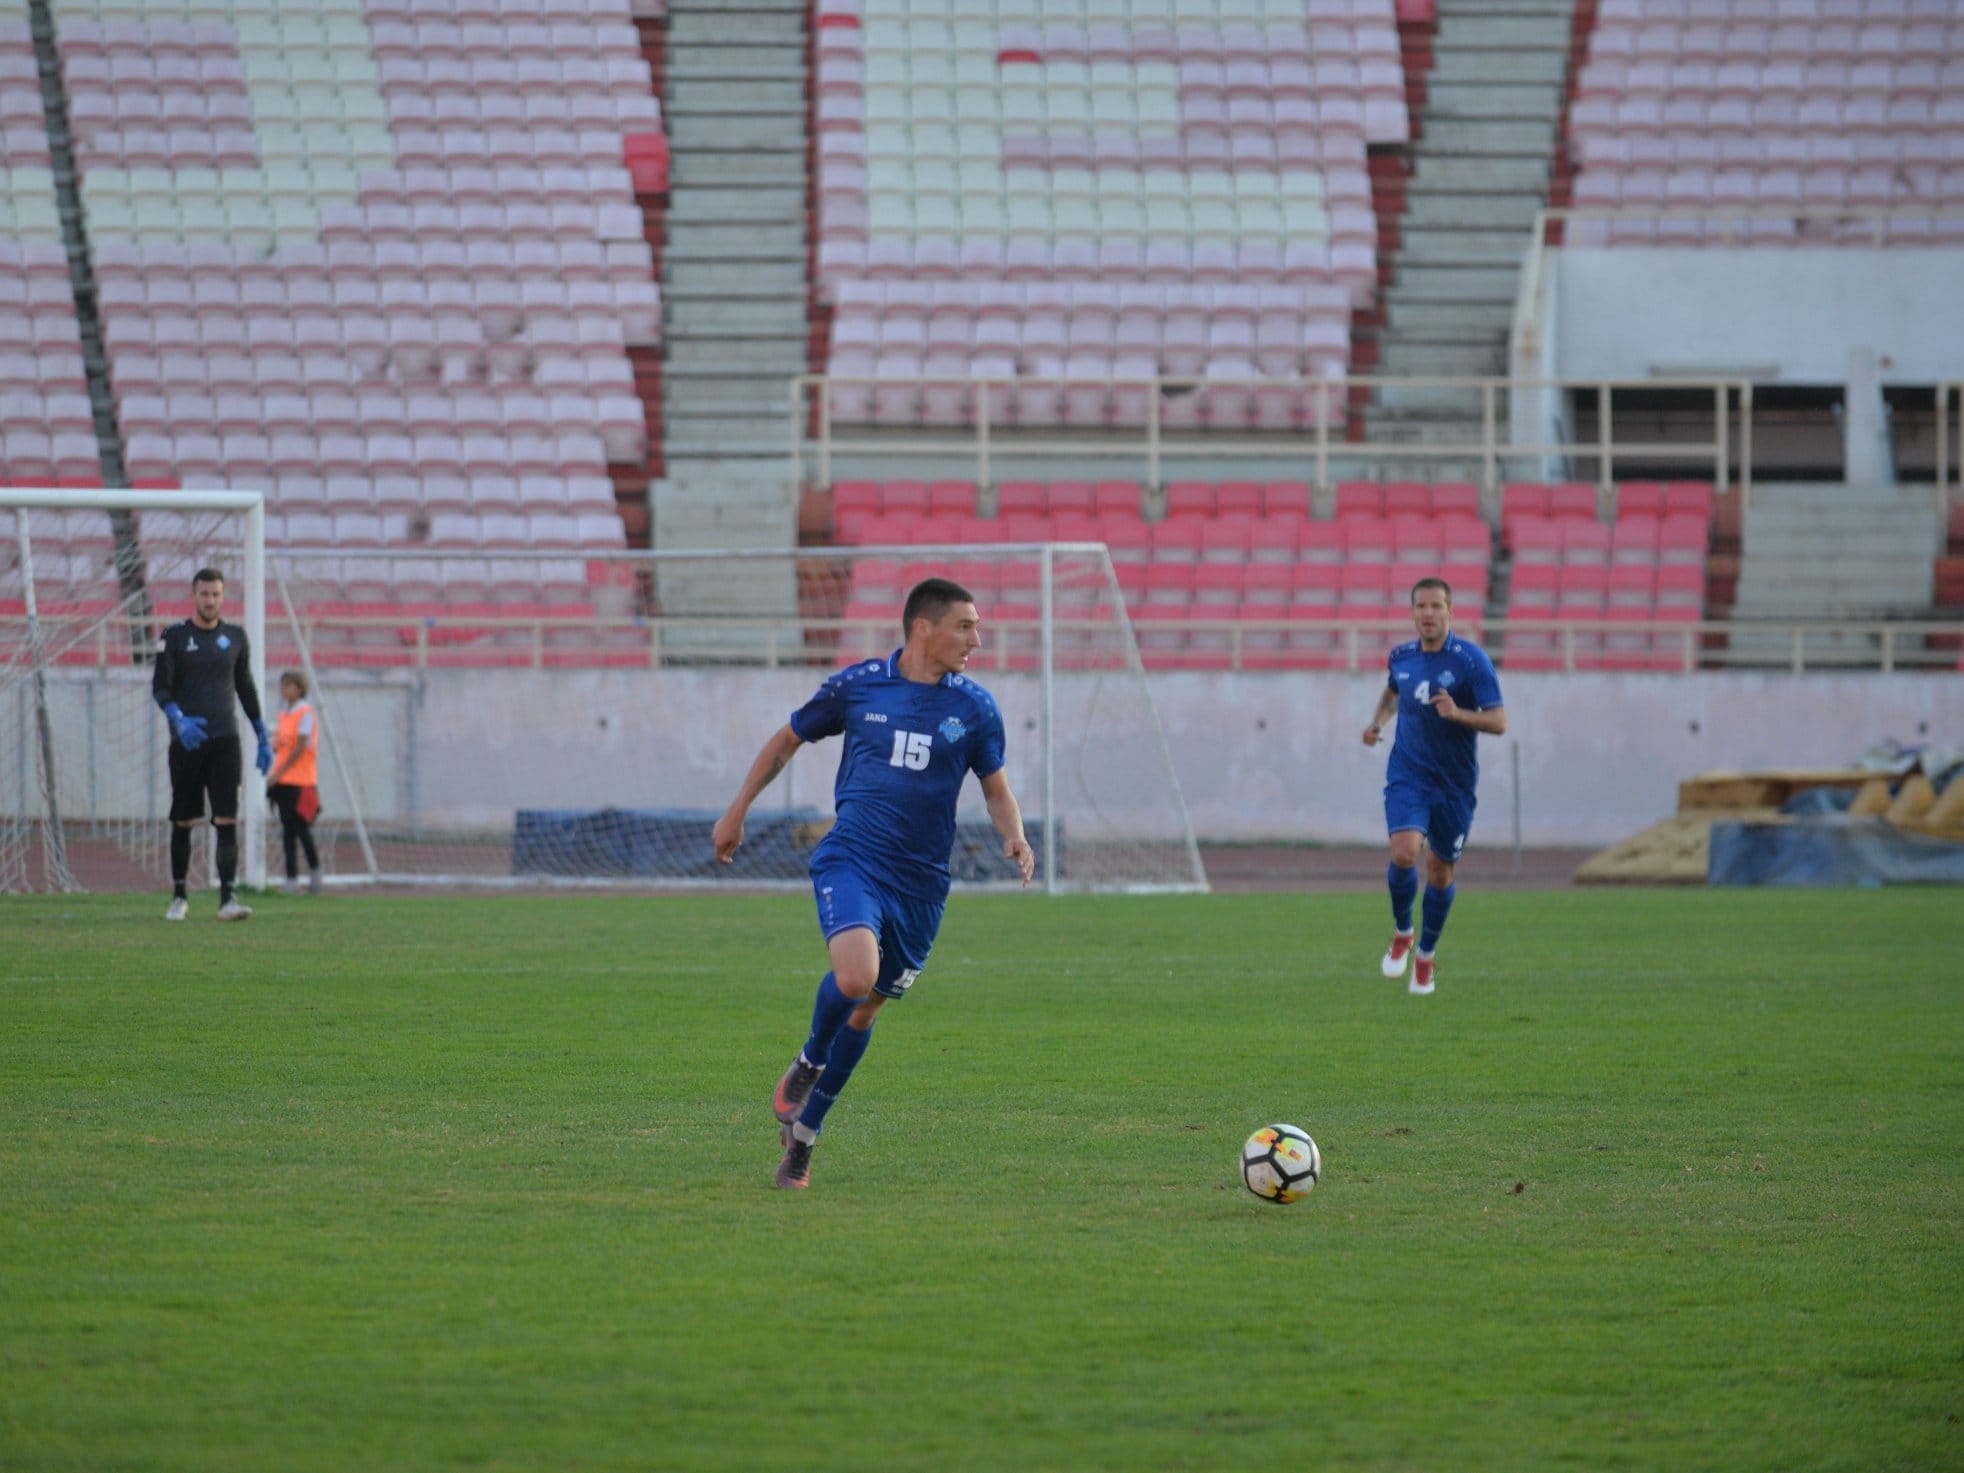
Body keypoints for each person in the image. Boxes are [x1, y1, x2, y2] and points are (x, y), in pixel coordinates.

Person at [712, 577, 1036, 1190]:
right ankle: (807, 1061)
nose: (976, 639)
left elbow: (995, 789)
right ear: (923, 627)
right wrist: (737, 810)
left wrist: (1013, 835)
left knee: (867, 1008)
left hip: (922, 886)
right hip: (854, 857)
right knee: (855, 977)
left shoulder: (975, 708)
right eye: (965, 626)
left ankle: (803, 1142)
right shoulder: (859, 687)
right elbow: (788, 740)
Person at [1361, 577, 1506, 995]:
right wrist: (1377, 723)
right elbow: (1393, 694)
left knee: (1440, 872)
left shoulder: (1471, 661)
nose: (1428, 614)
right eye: (1421, 607)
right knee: (1405, 852)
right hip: (1409, 775)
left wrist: (1459, 714)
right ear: (1412, 612)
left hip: (1454, 786)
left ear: (1450, 611)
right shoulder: (1402, 656)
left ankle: (1425, 956)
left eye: (1436, 606)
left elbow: (1498, 721)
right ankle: (1403, 930)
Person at [152, 567, 271, 921]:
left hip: (225, 740)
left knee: (226, 819)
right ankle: (178, 895)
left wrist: (262, 733)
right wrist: (178, 718)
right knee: (184, 819)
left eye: (216, 594)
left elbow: (245, 687)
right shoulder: (173, 637)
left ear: (223, 596)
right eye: (204, 594)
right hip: (187, 742)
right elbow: (160, 686)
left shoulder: (235, 637)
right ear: (194, 596)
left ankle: (228, 899)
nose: (210, 600)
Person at [266, 669, 323, 894]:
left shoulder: (306, 713)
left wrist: (278, 775)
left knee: (301, 829)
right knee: (288, 831)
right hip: (284, 780)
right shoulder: (285, 715)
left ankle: (315, 873)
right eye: (282, 685)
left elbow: (300, 747)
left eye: (288, 685)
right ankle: (291, 878)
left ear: (299, 688)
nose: (284, 690)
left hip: (301, 781)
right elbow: (282, 744)